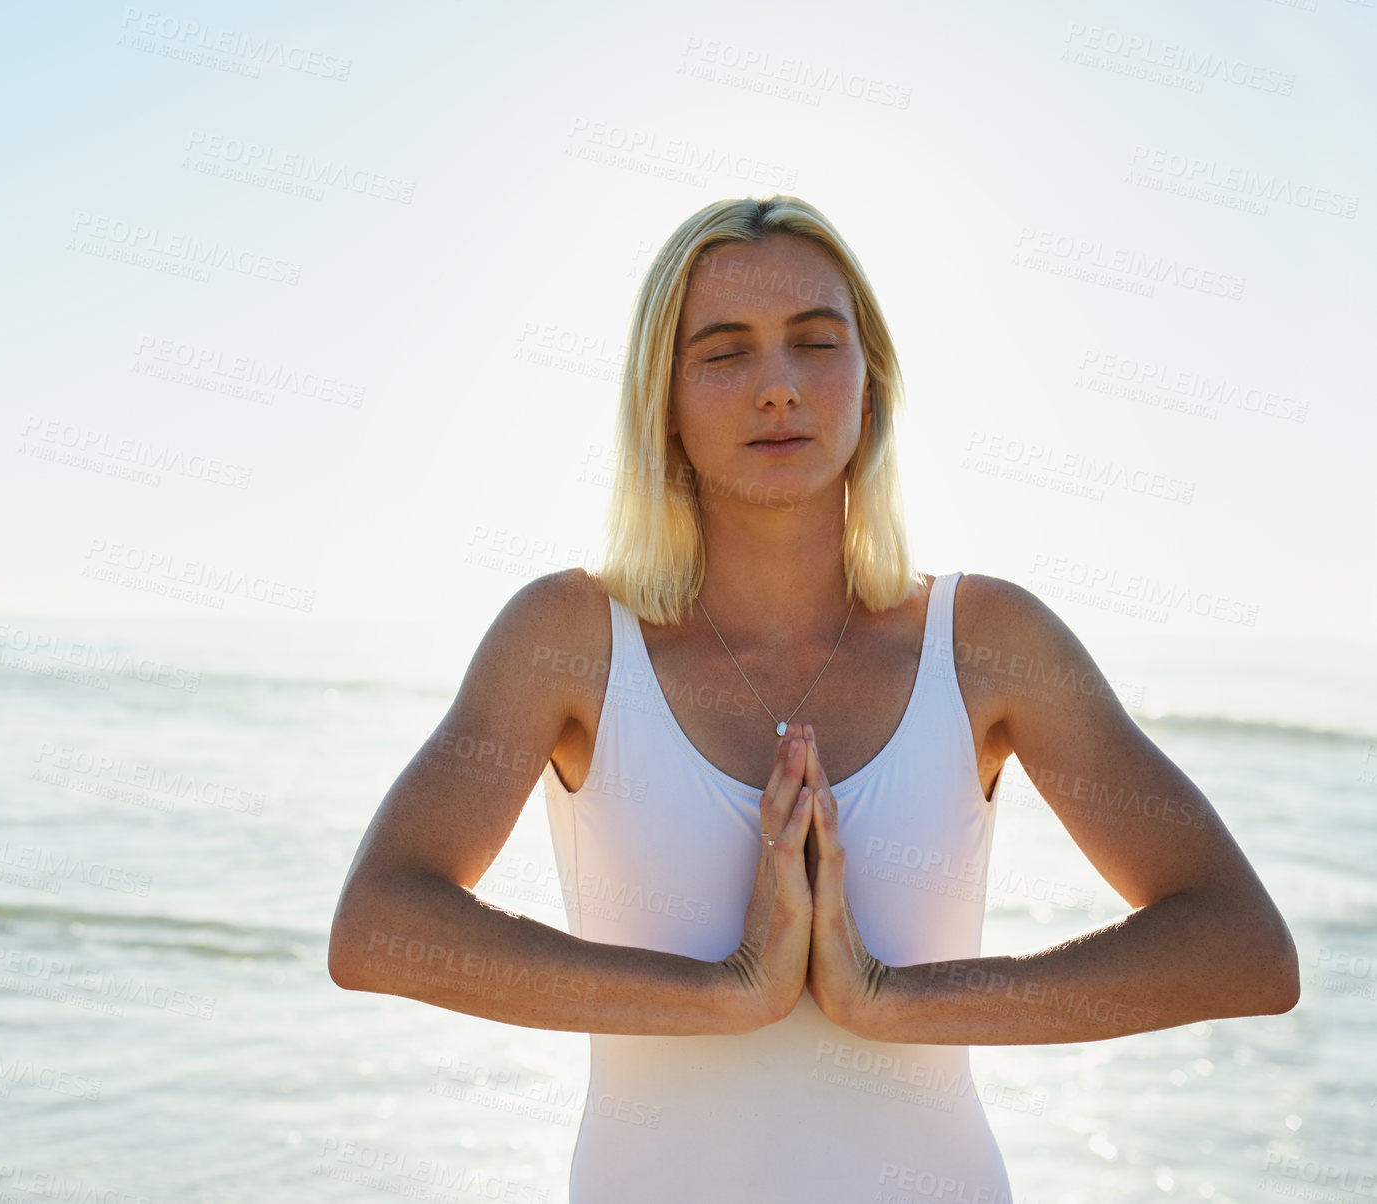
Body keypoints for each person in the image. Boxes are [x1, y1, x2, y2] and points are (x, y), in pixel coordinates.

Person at [327, 195, 1299, 1201]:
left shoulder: (985, 643)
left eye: (813, 343)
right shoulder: (567, 640)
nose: (777, 388)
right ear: (661, 398)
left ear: (869, 381)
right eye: (723, 351)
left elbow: (1240, 949)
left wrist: (885, 1001)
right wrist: (723, 992)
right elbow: (376, 927)